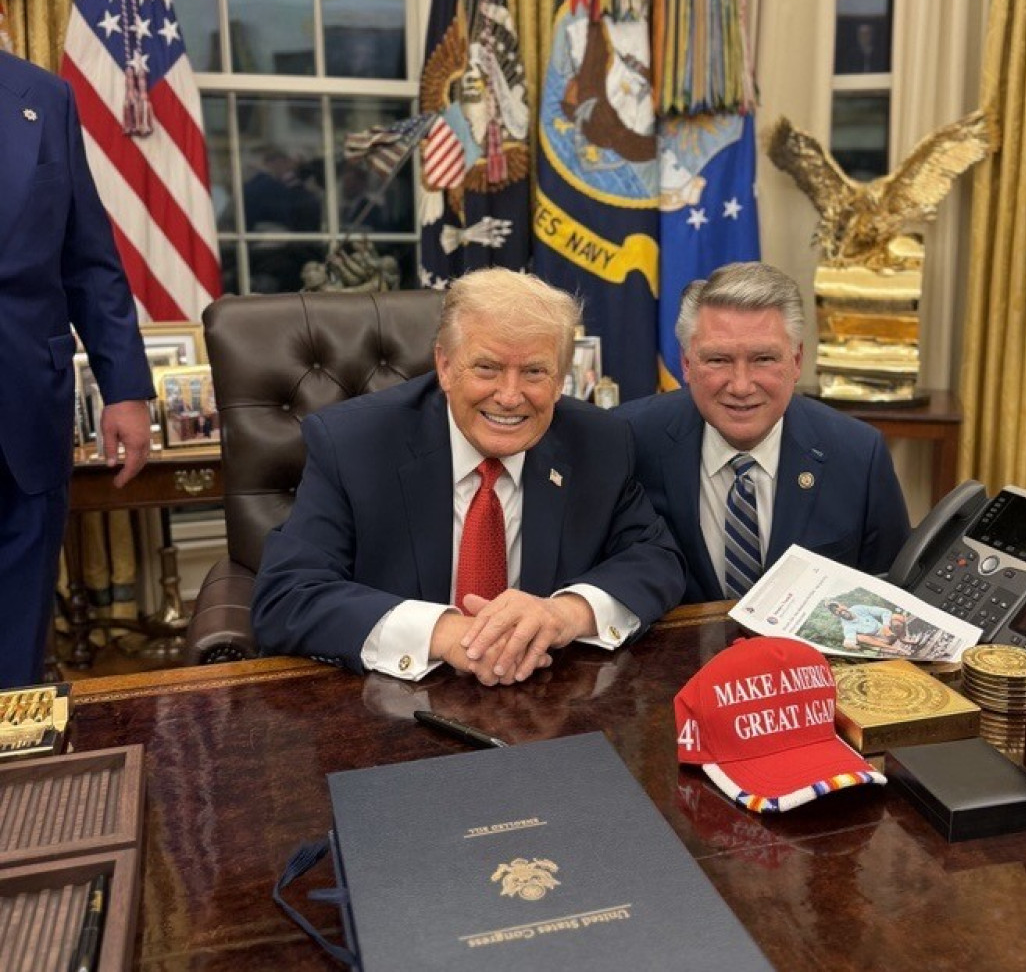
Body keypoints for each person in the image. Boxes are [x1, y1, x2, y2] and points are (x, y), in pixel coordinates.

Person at [252, 267, 685, 686]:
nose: (510, 396)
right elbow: (287, 596)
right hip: (391, 701)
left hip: (546, 695)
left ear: (559, 381)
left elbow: (655, 559)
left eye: (534, 372)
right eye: (487, 368)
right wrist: (446, 633)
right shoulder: (354, 444)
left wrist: (563, 614)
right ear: (444, 366)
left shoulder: (600, 442)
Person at [615, 262, 910, 603]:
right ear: (686, 364)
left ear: (796, 361)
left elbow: (894, 597)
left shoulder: (859, 455)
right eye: (718, 360)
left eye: (764, 359)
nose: (741, 386)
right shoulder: (629, 440)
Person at [0, 51, 153, 688]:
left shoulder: (44, 97)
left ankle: (17, 744)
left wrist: (125, 389)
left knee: (17, 636)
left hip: (26, 403)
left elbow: (88, 259)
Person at [826, 601, 908, 652]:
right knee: (859, 637)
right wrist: (848, 643)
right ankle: (893, 649)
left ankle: (903, 638)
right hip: (880, 640)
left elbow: (885, 611)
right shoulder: (847, 626)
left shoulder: (858, 608)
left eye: (837, 607)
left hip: (887, 630)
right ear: (835, 615)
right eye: (835, 611)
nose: (839, 611)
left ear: (843, 605)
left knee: (895, 616)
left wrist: (886, 627)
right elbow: (849, 638)